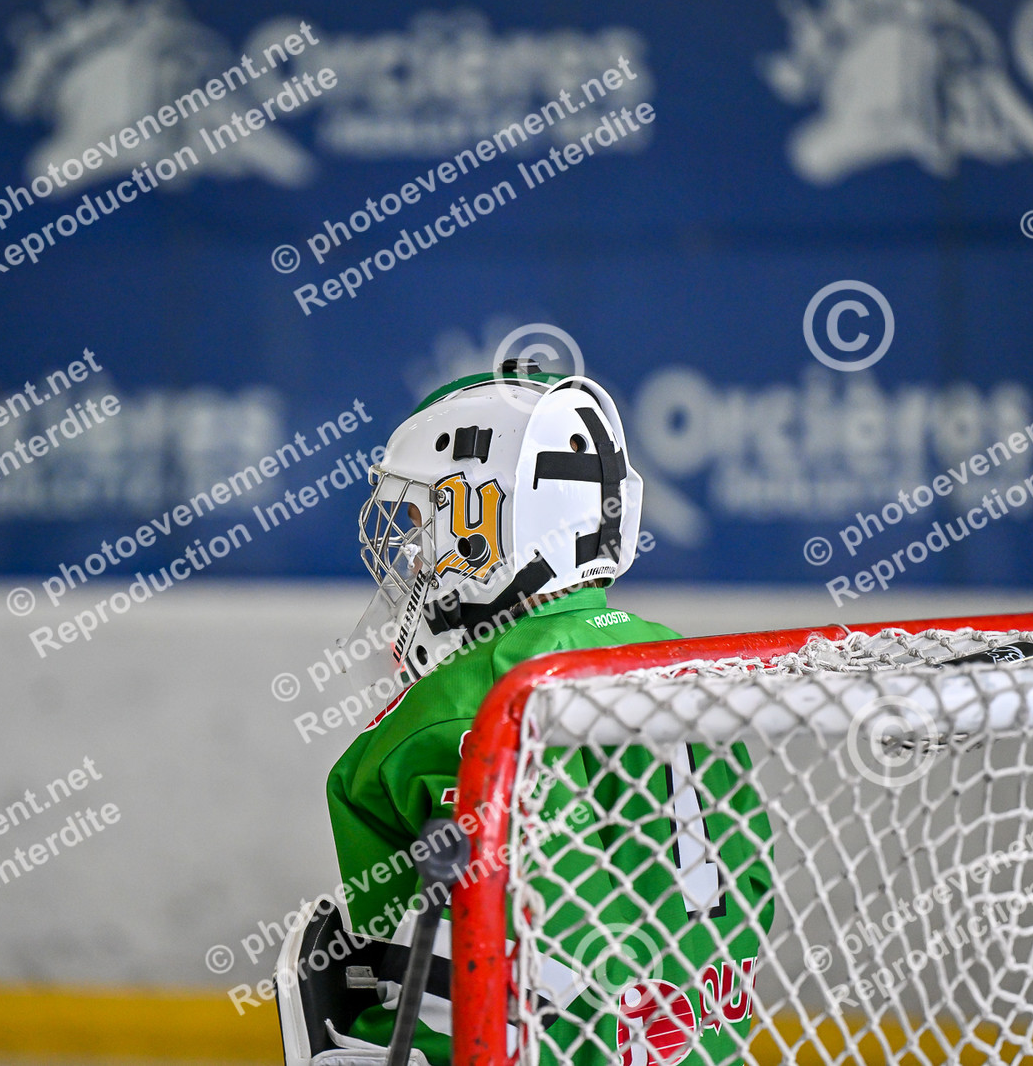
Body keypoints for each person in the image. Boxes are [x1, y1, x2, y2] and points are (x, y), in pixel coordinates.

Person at [325, 368, 773, 1066]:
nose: (414, 553)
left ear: (486, 517)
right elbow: (753, 886)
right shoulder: (691, 668)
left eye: (425, 520)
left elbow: (404, 958)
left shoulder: (448, 708)